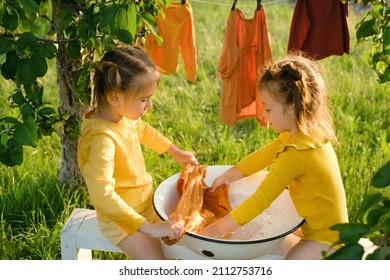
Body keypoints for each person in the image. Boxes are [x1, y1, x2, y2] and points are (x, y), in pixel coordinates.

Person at [201, 55, 349, 260]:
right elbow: (263, 156)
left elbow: (260, 201)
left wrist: (216, 230)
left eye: (268, 109)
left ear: (291, 108)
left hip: (325, 240)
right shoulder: (304, 135)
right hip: (320, 228)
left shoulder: (296, 155)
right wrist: (229, 175)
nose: (264, 116)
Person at [77, 45, 197, 259]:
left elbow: (143, 129)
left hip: (144, 203)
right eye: (144, 99)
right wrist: (148, 229)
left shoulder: (120, 116)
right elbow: (102, 195)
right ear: (115, 97)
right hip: (120, 221)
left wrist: (175, 151)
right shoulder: (101, 140)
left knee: (182, 244)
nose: (149, 105)